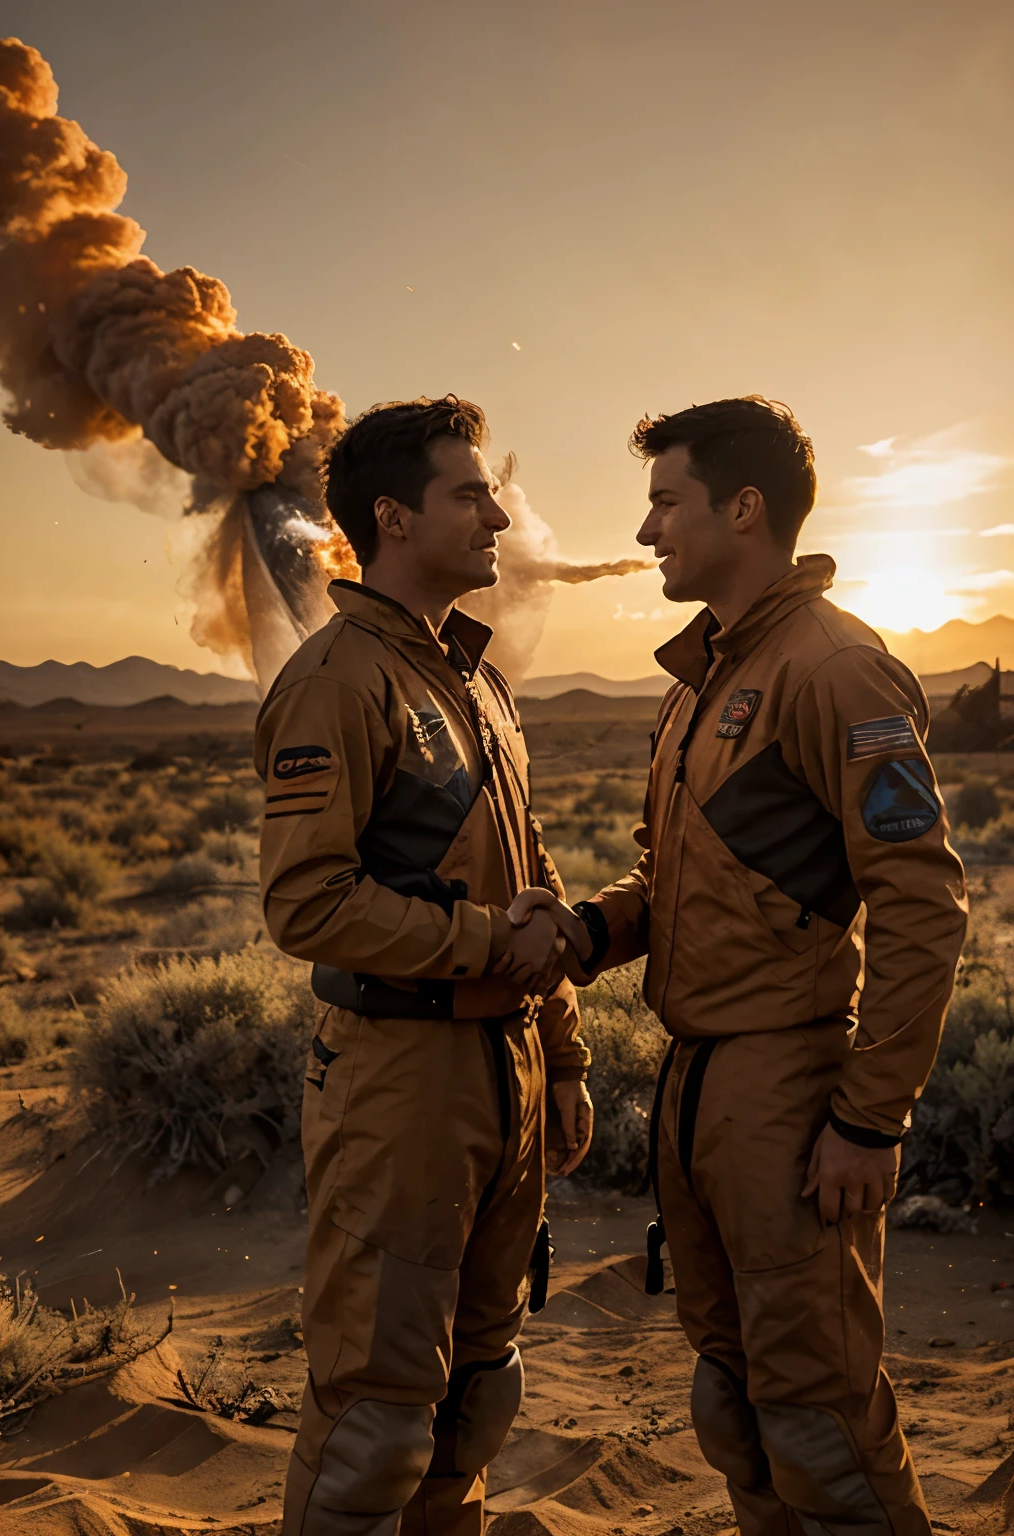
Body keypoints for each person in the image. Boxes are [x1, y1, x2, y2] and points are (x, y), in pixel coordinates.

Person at [515, 396, 968, 1535]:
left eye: (666, 502)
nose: (646, 529)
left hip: (787, 1092)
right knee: (736, 1400)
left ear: (744, 508)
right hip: (698, 1089)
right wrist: (588, 934)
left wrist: (869, 1119)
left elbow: (922, 907)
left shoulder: (834, 670)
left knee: (818, 1414)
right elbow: (679, 884)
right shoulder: (697, 683)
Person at [254, 396, 593, 1536]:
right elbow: (307, 902)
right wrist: (495, 948)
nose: (499, 512)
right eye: (469, 492)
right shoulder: (336, 680)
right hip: (397, 1079)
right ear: (392, 519)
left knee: (476, 1393)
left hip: (505, 1074)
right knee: (377, 1418)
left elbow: (524, 866)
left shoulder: (476, 680)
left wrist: (563, 1051)